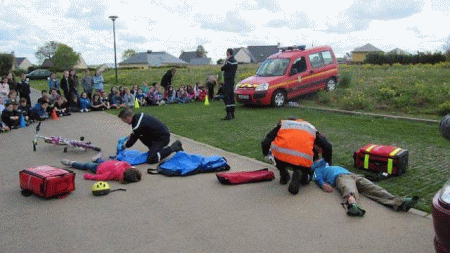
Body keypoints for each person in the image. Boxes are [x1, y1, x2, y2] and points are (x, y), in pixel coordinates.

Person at [312, 159, 419, 217]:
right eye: (316, 161)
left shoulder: (329, 165)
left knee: (374, 188)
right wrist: (322, 184)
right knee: (349, 190)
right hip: (341, 178)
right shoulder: (318, 170)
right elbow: (318, 178)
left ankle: (400, 203)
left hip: (353, 175)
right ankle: (352, 206)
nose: (319, 160)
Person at [261, 117, 332, 195]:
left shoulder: (283, 125)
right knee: (308, 173)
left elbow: (265, 142)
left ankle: (284, 175)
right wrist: (328, 161)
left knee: (276, 154)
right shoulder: (310, 128)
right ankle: (302, 176)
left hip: (281, 157)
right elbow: (327, 146)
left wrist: (266, 155)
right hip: (302, 159)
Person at [118, 107, 183, 164]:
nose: (125, 122)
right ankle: (154, 149)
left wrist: (124, 146)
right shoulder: (138, 116)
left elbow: (132, 140)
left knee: (151, 159)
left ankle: (174, 147)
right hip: (158, 135)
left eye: (124, 120)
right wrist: (128, 137)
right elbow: (135, 133)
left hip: (162, 138)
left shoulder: (137, 125)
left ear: (127, 118)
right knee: (140, 136)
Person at [61, 159, 142, 183]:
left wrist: (90, 177)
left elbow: (102, 177)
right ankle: (97, 159)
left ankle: (72, 163)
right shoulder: (126, 165)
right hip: (105, 164)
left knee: (86, 165)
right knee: (92, 163)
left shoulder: (114, 173)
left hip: (98, 168)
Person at [220, 48, 238, 120]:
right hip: (232, 81)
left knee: (226, 97)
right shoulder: (235, 62)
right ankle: (232, 113)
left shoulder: (229, 61)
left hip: (227, 81)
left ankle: (228, 114)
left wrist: (226, 60)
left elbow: (222, 68)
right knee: (231, 97)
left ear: (228, 53)